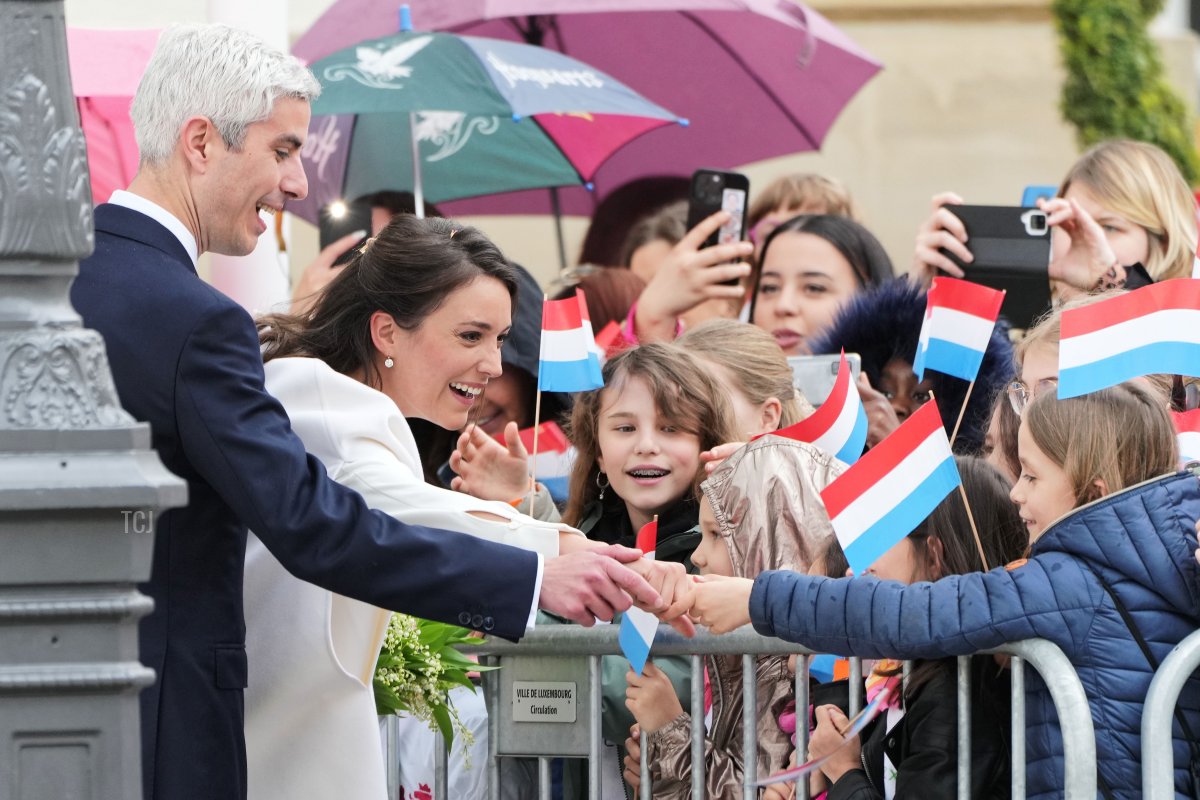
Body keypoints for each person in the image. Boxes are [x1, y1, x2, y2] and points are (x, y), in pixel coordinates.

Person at [68, 24, 662, 800]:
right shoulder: (194, 318)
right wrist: (535, 573)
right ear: (201, 141)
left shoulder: (63, 282)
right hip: (170, 722)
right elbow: (318, 522)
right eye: (282, 151)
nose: (296, 186)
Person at [247, 216, 690, 799]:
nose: (492, 364)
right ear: (386, 332)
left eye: (501, 340)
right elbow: (403, 516)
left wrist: (564, 545)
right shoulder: (317, 396)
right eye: (470, 336)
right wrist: (557, 551)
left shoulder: (347, 404)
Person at [691, 383, 1200, 797]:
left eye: (1032, 476)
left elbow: (913, 613)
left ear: (1093, 491)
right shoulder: (1172, 559)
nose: (1016, 491)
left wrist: (758, 599)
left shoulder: (1068, 581)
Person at [621, 437, 844, 798]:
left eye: (715, 535)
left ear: (768, 545)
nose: (697, 556)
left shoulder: (786, 671)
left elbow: (754, 792)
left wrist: (671, 729)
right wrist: (658, 772)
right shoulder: (735, 654)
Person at [794, 458, 1023, 799]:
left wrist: (843, 771)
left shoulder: (956, 697)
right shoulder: (918, 674)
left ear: (933, 557)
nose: (863, 563)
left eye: (883, 535)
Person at [910, 139, 1198, 303]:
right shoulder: (1015, 340)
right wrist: (922, 296)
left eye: (1110, 227)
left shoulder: (1186, 351)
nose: (1087, 239)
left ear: (1164, 241)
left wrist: (1108, 281)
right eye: (1070, 224)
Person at [811, 279, 1014, 453]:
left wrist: (897, 450)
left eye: (921, 395)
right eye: (886, 393)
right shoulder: (826, 469)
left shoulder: (979, 487)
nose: (896, 407)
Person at [750, 214, 895, 356]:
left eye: (814, 288)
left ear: (870, 300)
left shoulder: (914, 377)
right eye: (769, 288)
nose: (783, 305)